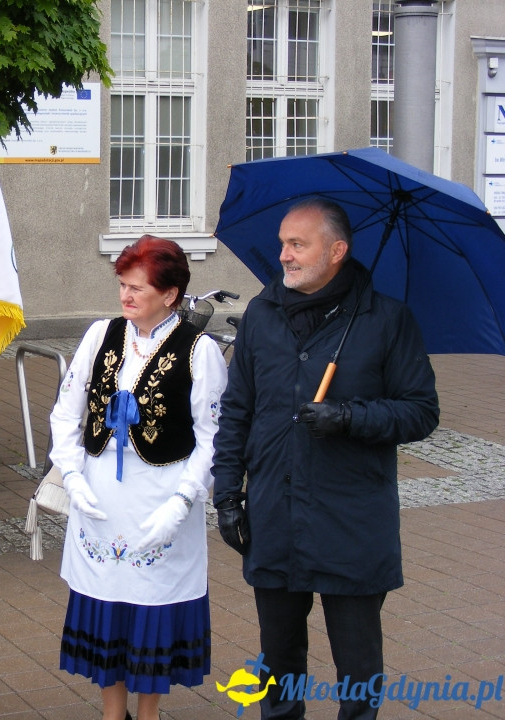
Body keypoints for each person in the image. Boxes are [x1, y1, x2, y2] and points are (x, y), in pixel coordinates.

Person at [212, 198, 440, 720]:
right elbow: (236, 412)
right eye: (282, 243)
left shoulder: (386, 320)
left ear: (336, 250)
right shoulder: (261, 316)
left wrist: (350, 417)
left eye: (298, 244)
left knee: (357, 664)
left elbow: (421, 412)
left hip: (351, 518)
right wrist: (227, 495)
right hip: (274, 510)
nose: (284, 255)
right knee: (279, 656)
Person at [48, 234, 228, 720]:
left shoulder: (199, 351)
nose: (126, 296)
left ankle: (146, 713)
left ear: (169, 295)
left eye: (138, 289)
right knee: (108, 600)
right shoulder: (100, 335)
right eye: (123, 285)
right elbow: (66, 411)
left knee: (153, 605)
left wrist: (184, 500)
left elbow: (212, 435)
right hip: (101, 495)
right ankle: (112, 713)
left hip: (163, 495)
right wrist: (71, 473)